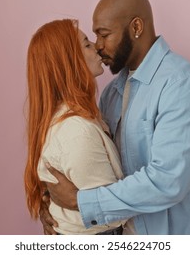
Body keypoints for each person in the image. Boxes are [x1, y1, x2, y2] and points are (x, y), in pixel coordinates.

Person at [43, 0, 190, 234]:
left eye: (104, 34)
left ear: (136, 28)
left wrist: (79, 202)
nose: (98, 46)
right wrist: (54, 206)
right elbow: (102, 167)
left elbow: (168, 182)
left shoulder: (182, 86)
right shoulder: (111, 93)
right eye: (94, 37)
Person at [24, 19, 127, 235]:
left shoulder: (85, 114)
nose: (97, 47)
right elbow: (115, 212)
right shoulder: (76, 130)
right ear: (69, 61)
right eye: (87, 44)